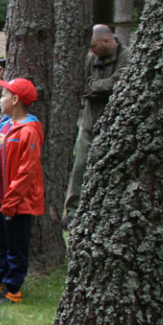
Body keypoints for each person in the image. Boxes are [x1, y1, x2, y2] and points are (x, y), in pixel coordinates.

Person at [0, 78, 45, 305]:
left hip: (17, 201)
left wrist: (12, 199)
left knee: (16, 243)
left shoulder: (29, 131)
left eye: (4, 95)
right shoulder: (5, 125)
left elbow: (27, 170)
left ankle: (13, 289)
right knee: (0, 240)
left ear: (15, 100)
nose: (0, 98)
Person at [63, 24, 130, 226]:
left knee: (113, 168)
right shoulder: (91, 58)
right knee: (80, 165)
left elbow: (119, 85)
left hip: (116, 125)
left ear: (107, 41)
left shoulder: (127, 57)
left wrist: (95, 86)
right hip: (90, 122)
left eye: (94, 46)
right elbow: (82, 86)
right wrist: (98, 87)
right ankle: (73, 211)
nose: (91, 51)